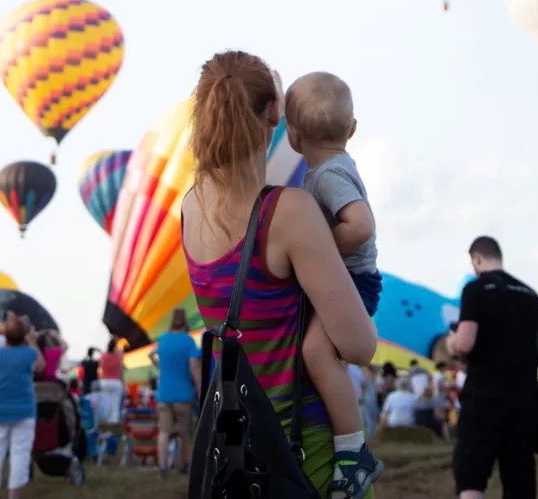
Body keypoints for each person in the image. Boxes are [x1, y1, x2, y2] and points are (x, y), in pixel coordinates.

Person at [182, 50, 377, 498]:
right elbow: (360, 346)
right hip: (301, 444)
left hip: (237, 440)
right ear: (274, 113)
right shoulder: (288, 211)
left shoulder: (191, 207)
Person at [285, 71, 385, 493]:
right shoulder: (334, 168)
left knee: (315, 351)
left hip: (355, 281)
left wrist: (319, 251)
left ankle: (352, 450)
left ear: (292, 136)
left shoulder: (327, 175)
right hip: (349, 278)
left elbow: (360, 225)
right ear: (353, 129)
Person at [447, 236, 538, 499]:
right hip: (523, 401)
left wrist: (451, 343)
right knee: (519, 480)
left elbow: (466, 343)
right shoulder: (531, 295)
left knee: (471, 475)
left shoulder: (475, 290)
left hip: (483, 399)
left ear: (477, 259)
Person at [0, 312, 45, 499]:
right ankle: (13, 495)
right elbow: (41, 366)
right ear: (25, 335)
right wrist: (32, 341)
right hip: (24, 409)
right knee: (20, 453)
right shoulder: (30, 353)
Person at [148, 308, 201, 477]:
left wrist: (159, 366)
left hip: (164, 394)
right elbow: (193, 365)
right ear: (185, 321)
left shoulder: (163, 339)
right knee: (183, 432)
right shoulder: (188, 341)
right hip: (183, 393)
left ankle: (162, 467)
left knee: (163, 432)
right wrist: (200, 386)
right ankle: (182, 465)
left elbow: (150, 354)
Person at [98, 338, 125, 423]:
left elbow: (101, 368)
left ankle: (105, 428)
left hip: (104, 382)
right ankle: (113, 429)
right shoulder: (119, 356)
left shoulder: (103, 356)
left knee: (106, 406)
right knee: (115, 407)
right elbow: (122, 370)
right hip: (116, 382)